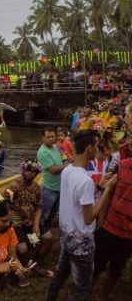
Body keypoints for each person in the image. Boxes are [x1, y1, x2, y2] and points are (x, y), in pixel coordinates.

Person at [45, 130, 118, 301]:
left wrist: (99, 187)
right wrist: (107, 190)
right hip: (81, 241)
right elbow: (89, 217)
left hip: (67, 235)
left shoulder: (68, 170)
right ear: (89, 148)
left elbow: (78, 201)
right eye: (97, 146)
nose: (98, 149)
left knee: (59, 276)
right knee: (81, 289)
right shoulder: (84, 180)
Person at [93, 139, 132, 299]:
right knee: (96, 265)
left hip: (129, 236)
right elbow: (108, 194)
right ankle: (83, 293)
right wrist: (101, 223)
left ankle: (103, 296)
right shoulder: (121, 165)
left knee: (116, 269)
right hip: (108, 227)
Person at [8, 159, 54, 286]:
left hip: (31, 223)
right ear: (23, 170)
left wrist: (36, 226)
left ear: (37, 173)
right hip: (16, 224)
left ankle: (35, 265)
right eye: (28, 170)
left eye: (34, 171)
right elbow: (5, 206)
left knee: (48, 238)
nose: (30, 174)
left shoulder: (37, 188)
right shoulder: (13, 186)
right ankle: (20, 271)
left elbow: (39, 207)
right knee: (22, 249)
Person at [37, 126, 67, 234]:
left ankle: (47, 233)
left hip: (59, 188)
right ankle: (38, 236)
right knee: (44, 215)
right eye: (48, 137)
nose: (50, 139)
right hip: (49, 189)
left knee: (53, 214)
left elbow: (63, 156)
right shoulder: (43, 152)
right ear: (43, 138)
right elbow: (52, 169)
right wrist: (68, 166)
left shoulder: (55, 146)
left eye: (52, 136)